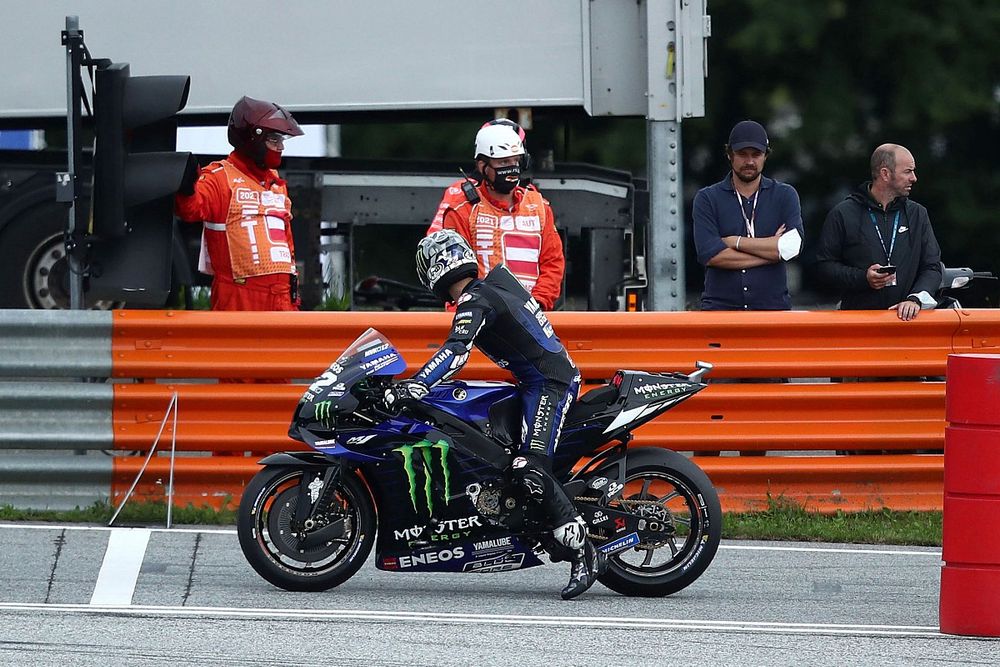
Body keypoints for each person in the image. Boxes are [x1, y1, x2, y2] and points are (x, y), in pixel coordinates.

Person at [383, 229, 604, 600]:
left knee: (528, 466)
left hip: (550, 383)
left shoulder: (476, 299)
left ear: (434, 269)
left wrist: (417, 384)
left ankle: (583, 550)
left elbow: (456, 351)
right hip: (533, 381)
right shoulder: (491, 287)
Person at [175, 96, 304, 311]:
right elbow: (191, 209)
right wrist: (186, 184)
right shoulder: (220, 177)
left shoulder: (276, 183)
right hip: (239, 295)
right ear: (253, 139)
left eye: (281, 140)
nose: (281, 146)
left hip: (283, 296)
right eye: (274, 140)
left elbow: (288, 243)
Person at [429, 122, 564, 310]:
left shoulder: (539, 206)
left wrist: (538, 304)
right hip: (477, 316)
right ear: (482, 166)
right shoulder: (462, 208)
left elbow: (553, 263)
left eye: (515, 161)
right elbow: (452, 270)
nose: (511, 168)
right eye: (503, 162)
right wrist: (476, 308)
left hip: (532, 317)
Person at [815, 144, 941, 321]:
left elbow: (932, 266)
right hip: (859, 322)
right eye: (908, 171)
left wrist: (915, 299)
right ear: (885, 174)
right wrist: (863, 278)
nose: (914, 178)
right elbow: (824, 267)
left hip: (907, 322)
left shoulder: (917, 214)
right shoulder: (843, 213)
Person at [692, 120, 804, 311]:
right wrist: (773, 254)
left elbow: (792, 246)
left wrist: (734, 242)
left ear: (765, 156)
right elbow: (711, 255)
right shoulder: (707, 198)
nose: (750, 161)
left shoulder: (785, 195)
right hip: (720, 309)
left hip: (772, 309)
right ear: (730, 155)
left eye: (756, 154)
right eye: (742, 154)